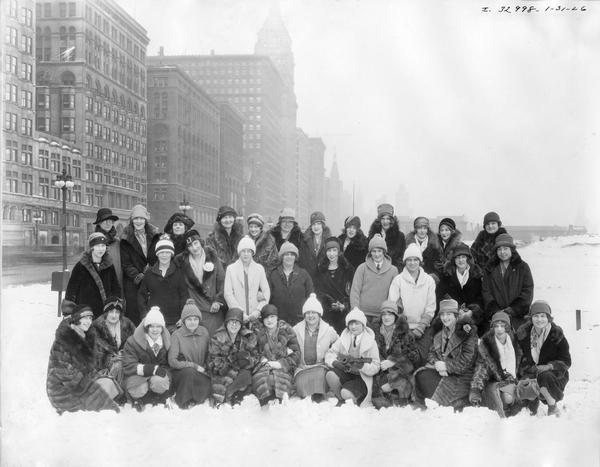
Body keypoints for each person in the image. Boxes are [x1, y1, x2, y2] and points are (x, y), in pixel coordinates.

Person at [47, 304, 122, 414]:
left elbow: (89, 370)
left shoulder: (85, 336)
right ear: (77, 319)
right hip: (63, 393)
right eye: (85, 318)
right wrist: (94, 389)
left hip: (79, 386)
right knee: (105, 400)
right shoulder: (63, 342)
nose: (88, 322)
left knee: (108, 382)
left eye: (90, 318)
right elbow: (68, 377)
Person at [413, 299, 478, 410]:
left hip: (461, 375)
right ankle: (440, 401)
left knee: (438, 387)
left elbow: (468, 360)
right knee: (421, 375)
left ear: (456, 315)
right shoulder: (439, 333)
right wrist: (438, 364)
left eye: (449, 314)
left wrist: (447, 366)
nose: (445, 318)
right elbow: (431, 353)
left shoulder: (467, 332)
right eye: (442, 314)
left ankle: (454, 402)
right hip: (442, 372)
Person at [516, 301, 571, 416]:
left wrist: (549, 366)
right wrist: (526, 369)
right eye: (536, 316)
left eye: (543, 316)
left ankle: (552, 406)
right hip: (531, 372)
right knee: (525, 399)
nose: (539, 320)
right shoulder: (523, 334)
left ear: (548, 318)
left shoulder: (556, 334)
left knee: (544, 377)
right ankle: (534, 400)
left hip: (554, 374)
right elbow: (519, 357)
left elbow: (566, 360)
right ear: (531, 318)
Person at [387, 243, 437, 365]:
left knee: (422, 358)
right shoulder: (398, 280)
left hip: (423, 328)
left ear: (420, 261)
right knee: (403, 360)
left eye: (415, 259)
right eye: (409, 260)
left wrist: (421, 328)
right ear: (405, 261)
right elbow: (392, 305)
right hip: (404, 328)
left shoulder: (429, 281)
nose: (412, 263)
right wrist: (402, 326)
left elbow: (430, 308)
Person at [469, 311, 522, 418]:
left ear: (507, 327)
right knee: (498, 397)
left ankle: (508, 404)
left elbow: (522, 363)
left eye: (503, 326)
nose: (499, 329)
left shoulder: (515, 341)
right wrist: (476, 389)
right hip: (493, 381)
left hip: (511, 379)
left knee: (508, 398)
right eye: (496, 326)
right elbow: (481, 368)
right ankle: (501, 407)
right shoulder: (487, 344)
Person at [325, 307, 381, 407]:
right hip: (347, 372)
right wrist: (335, 362)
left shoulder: (371, 342)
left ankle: (352, 397)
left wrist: (362, 366)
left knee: (346, 393)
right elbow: (330, 353)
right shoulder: (343, 338)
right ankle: (341, 399)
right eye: (351, 324)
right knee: (330, 375)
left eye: (357, 323)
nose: (353, 327)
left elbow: (376, 366)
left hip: (362, 377)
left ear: (363, 325)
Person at [174, 229, 226, 336]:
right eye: (190, 246)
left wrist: (218, 300)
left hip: (213, 308)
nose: (194, 248)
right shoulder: (182, 262)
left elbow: (222, 280)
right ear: (187, 249)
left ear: (200, 242)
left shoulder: (212, 257)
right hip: (195, 309)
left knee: (215, 340)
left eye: (196, 243)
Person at [370, 301, 420, 408]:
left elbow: (414, 358)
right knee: (380, 387)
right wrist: (380, 362)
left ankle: (397, 396)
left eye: (390, 314)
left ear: (396, 316)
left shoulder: (405, 333)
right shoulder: (373, 332)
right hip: (379, 370)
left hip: (400, 371)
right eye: (384, 314)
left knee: (396, 384)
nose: (386, 318)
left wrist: (394, 361)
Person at [482, 233, 534, 332]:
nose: (502, 252)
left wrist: (511, 310)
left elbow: (528, 291)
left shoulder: (523, 267)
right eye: (499, 249)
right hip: (496, 317)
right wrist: (496, 311)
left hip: (517, 318)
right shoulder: (489, 268)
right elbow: (486, 292)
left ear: (512, 249)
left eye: (505, 248)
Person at [122, 307, 171, 410]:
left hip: (158, 375)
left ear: (162, 328)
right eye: (152, 326)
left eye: (158, 326)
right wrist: (151, 369)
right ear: (146, 327)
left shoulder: (167, 341)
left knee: (160, 382)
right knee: (139, 388)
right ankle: (137, 399)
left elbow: (169, 364)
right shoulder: (133, 342)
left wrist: (166, 375)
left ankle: (159, 397)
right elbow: (128, 365)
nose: (155, 330)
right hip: (136, 376)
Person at [208, 308, 259, 405]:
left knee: (246, 375)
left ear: (241, 325)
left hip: (240, 371)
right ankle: (227, 396)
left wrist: (247, 359)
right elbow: (213, 363)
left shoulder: (248, 337)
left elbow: (255, 356)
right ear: (226, 323)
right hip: (222, 372)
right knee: (222, 382)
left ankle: (234, 395)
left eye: (237, 323)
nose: (234, 325)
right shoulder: (217, 338)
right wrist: (234, 359)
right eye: (231, 322)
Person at [292, 294, 339, 401]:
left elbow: (339, 344)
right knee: (301, 387)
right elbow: (289, 345)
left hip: (320, 366)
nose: (310, 316)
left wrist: (331, 356)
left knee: (320, 380)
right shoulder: (296, 329)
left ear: (319, 314)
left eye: (314, 312)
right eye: (308, 313)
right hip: (302, 367)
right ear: (304, 315)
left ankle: (318, 393)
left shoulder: (328, 330)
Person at [138, 235, 189, 332]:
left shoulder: (179, 272)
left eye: (167, 252)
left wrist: (183, 316)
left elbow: (184, 295)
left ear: (171, 254)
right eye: (161, 252)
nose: (164, 255)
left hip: (175, 322)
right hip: (154, 322)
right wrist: (144, 315)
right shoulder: (149, 273)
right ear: (157, 254)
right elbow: (141, 295)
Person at [65, 232, 121, 319]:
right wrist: (68, 312)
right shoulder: (81, 266)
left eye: (103, 246)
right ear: (91, 248)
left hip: (105, 312)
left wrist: (115, 305)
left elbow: (116, 287)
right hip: (85, 312)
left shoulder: (109, 265)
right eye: (97, 246)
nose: (100, 249)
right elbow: (71, 290)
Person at [120, 204, 160, 325]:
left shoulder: (155, 236)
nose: (139, 221)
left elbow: (159, 256)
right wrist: (139, 276)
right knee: (135, 315)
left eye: (141, 218)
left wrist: (152, 272)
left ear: (146, 220)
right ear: (132, 220)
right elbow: (126, 264)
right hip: (133, 283)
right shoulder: (125, 238)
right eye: (136, 219)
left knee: (152, 312)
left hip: (153, 279)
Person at [252, 304, 301, 405]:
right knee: (264, 381)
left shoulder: (287, 331)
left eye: (272, 317)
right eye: (266, 318)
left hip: (283, 369)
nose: (269, 320)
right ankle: (266, 400)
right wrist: (262, 360)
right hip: (264, 367)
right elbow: (252, 352)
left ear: (277, 317)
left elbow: (296, 353)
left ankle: (279, 400)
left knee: (280, 381)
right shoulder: (257, 332)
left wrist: (281, 363)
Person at [168, 299, 212, 408]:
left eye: (195, 319)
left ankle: (197, 398)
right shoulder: (176, 335)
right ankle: (183, 401)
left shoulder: (204, 332)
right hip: (182, 372)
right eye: (189, 319)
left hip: (201, 370)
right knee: (189, 373)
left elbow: (209, 353)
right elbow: (172, 361)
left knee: (208, 383)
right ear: (184, 321)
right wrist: (193, 366)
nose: (193, 322)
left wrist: (208, 366)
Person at [350, 234, 398, 325]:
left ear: (384, 252)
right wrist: (355, 311)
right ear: (370, 252)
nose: (377, 254)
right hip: (363, 314)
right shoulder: (362, 268)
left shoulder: (393, 270)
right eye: (374, 251)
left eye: (379, 251)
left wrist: (389, 312)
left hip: (383, 315)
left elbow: (394, 294)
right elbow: (355, 291)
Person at [437, 242, 484, 334]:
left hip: (474, 318)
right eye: (458, 257)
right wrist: (456, 310)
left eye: (463, 257)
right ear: (454, 259)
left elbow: (482, 298)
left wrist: (472, 312)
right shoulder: (447, 275)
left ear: (468, 258)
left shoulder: (477, 275)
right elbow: (439, 295)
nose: (461, 260)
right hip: (451, 316)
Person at [224, 236, 270, 324]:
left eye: (249, 251)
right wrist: (240, 313)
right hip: (237, 315)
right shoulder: (231, 269)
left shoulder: (259, 268)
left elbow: (266, 291)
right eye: (243, 251)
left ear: (252, 253)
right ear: (239, 252)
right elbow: (228, 294)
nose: (246, 254)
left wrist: (258, 310)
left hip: (255, 316)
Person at [91, 296, 136, 386]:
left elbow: (135, 343)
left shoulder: (127, 324)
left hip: (124, 359)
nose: (114, 315)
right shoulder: (96, 327)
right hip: (101, 366)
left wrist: (123, 353)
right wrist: (110, 359)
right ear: (106, 312)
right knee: (118, 365)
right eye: (111, 312)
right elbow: (94, 353)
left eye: (117, 312)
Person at [314, 237, 355, 334]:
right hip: (326, 313)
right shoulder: (320, 269)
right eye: (329, 250)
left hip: (343, 314)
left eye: (334, 250)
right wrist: (328, 303)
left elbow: (353, 290)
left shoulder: (348, 269)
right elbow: (316, 290)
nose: (331, 254)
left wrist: (344, 305)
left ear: (339, 251)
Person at [268, 241, 313, 326]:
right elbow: (268, 298)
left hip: (300, 321)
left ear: (295, 257)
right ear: (282, 257)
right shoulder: (273, 274)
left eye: (292, 254)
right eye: (286, 254)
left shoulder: (303, 274)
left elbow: (311, 296)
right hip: (279, 321)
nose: (289, 257)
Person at [367, 203, 406, 268]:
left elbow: (402, 258)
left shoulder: (400, 236)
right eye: (383, 219)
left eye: (388, 219)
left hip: (393, 272)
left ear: (392, 220)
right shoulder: (372, 235)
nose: (385, 221)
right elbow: (368, 256)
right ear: (379, 220)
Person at [299, 211, 332, 281]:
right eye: (313, 224)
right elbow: (301, 261)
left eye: (318, 224)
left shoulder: (329, 241)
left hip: (324, 279)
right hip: (308, 279)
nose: (316, 227)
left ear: (323, 225)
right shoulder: (304, 241)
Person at [93, 208, 123, 287]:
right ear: (99, 223)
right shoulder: (92, 241)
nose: (108, 223)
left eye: (110, 221)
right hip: (99, 286)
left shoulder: (117, 242)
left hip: (117, 284)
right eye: (104, 220)